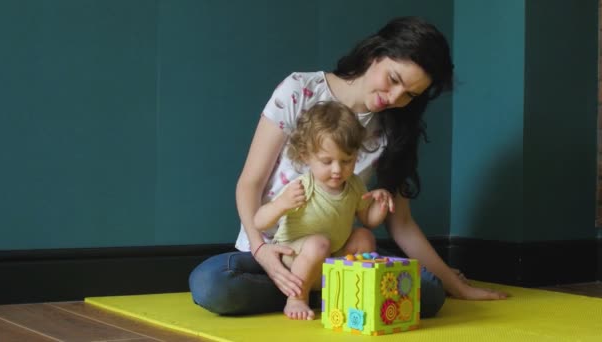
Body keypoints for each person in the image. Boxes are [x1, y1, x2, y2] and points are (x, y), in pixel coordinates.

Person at [189, 16, 508, 318]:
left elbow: (402, 223)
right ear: (374, 55)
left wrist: (457, 287)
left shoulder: (392, 129)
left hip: (339, 257)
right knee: (212, 284)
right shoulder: (300, 90)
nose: (394, 97)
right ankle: (320, 293)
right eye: (393, 79)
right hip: (276, 252)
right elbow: (250, 183)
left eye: (409, 94)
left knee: (431, 292)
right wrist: (260, 250)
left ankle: (317, 292)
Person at [253, 101, 394, 320]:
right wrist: (281, 205)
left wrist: (381, 205)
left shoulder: (355, 185)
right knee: (319, 243)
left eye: (347, 161)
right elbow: (259, 222)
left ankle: (349, 294)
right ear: (305, 156)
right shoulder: (303, 185)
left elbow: (368, 220)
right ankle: (297, 298)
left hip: (330, 260)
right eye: (327, 162)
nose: (338, 170)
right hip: (295, 259)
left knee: (363, 236)